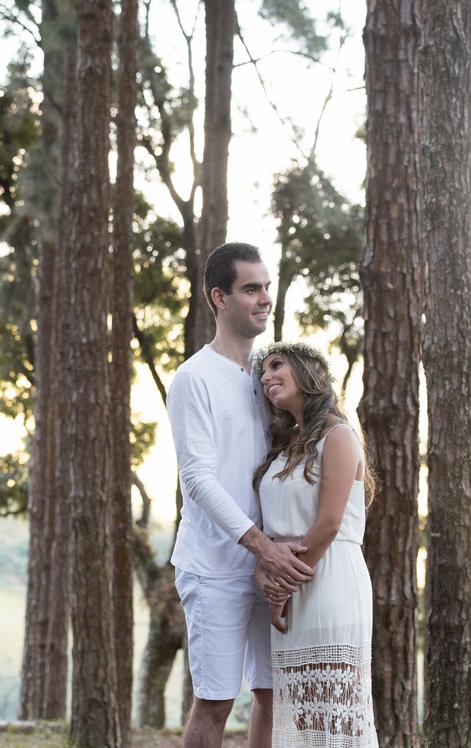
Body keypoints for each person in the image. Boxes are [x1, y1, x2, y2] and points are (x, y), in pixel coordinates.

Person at [168, 243, 316, 748]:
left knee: (274, 695)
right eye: (250, 288)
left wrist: (278, 551)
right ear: (219, 297)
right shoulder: (193, 378)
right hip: (214, 565)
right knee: (214, 702)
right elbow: (198, 478)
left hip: (268, 564)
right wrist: (260, 545)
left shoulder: (267, 379)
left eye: (266, 287)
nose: (264, 298)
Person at [253, 340, 378, 748]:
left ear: (308, 373)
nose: (267, 376)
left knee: (331, 713)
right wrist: (267, 571)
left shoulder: (338, 436)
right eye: (262, 372)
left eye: (277, 366)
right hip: (289, 579)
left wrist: (282, 589)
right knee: (301, 714)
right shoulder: (284, 448)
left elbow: (327, 523)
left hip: (328, 580)